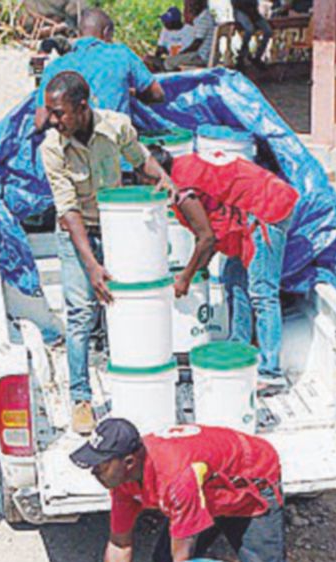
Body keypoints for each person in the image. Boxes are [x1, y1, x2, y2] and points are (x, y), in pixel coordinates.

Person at [71, 417, 317, 562]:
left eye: (100, 465)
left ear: (128, 461)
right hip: (209, 488)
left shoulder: (175, 478)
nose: (94, 471)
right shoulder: (123, 481)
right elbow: (119, 545)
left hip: (249, 483)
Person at [40, 71, 177, 434]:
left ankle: (131, 383)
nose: (53, 121)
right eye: (51, 113)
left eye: (60, 113)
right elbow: (68, 210)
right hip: (75, 234)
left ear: (82, 108)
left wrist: (165, 181)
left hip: (119, 230)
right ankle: (82, 399)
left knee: (126, 305)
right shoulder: (52, 147)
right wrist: (92, 265)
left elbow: (140, 160)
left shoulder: (117, 127)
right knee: (82, 314)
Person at [148, 144, 298, 394]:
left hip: (265, 208)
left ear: (153, 174)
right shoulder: (183, 168)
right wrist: (196, 268)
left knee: (262, 293)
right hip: (246, 213)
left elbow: (206, 238)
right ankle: (240, 349)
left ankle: (271, 373)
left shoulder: (182, 188)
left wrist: (185, 278)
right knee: (234, 281)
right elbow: (213, 231)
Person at [34, 8, 165, 130]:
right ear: (106, 32)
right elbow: (157, 94)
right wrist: (133, 95)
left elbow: (40, 122)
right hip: (113, 148)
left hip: (70, 150)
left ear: (79, 34)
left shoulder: (54, 66)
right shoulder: (121, 54)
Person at [161, 0, 216, 70]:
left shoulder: (204, 19)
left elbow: (196, 44)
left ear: (202, 3)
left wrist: (181, 54)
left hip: (200, 57)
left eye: (193, 4)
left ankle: (174, 80)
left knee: (169, 62)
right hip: (200, 55)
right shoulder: (204, 17)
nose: (191, 7)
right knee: (172, 59)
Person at [230, 0, 272, 71]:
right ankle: (241, 56)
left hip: (253, 12)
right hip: (240, 11)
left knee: (268, 31)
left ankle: (257, 56)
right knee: (249, 29)